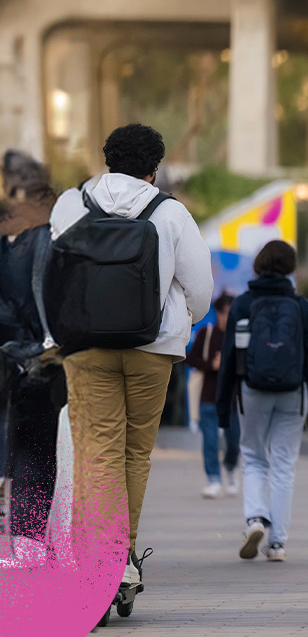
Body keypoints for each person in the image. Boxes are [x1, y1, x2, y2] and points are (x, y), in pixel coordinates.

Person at [50, 124, 212, 602]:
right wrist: (180, 324)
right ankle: (120, 562)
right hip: (153, 348)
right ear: (153, 168)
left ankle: (100, 564)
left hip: (86, 346)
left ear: (106, 159)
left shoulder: (70, 204)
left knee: (97, 452)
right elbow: (200, 288)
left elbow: (52, 272)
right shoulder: (171, 212)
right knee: (134, 455)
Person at [214, 240, 308, 563]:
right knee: (284, 465)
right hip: (293, 392)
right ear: (291, 269)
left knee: (254, 457)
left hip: (252, 390)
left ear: (258, 266)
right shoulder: (303, 308)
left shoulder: (243, 304)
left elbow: (230, 356)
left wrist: (222, 406)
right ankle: (277, 544)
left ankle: (255, 518)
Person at [0, 166, 65, 569]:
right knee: (49, 448)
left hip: (24, 356)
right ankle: (39, 538)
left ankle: (29, 539)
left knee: (30, 445)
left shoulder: (21, 242)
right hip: (56, 355)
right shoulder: (62, 237)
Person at [186, 294, 240, 499]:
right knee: (210, 441)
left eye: (231, 313)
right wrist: (212, 365)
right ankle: (213, 480)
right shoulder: (206, 333)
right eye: (225, 313)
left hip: (233, 400)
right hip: (209, 397)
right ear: (218, 313)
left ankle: (230, 468)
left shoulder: (239, 336)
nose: (228, 317)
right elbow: (190, 360)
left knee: (234, 442)